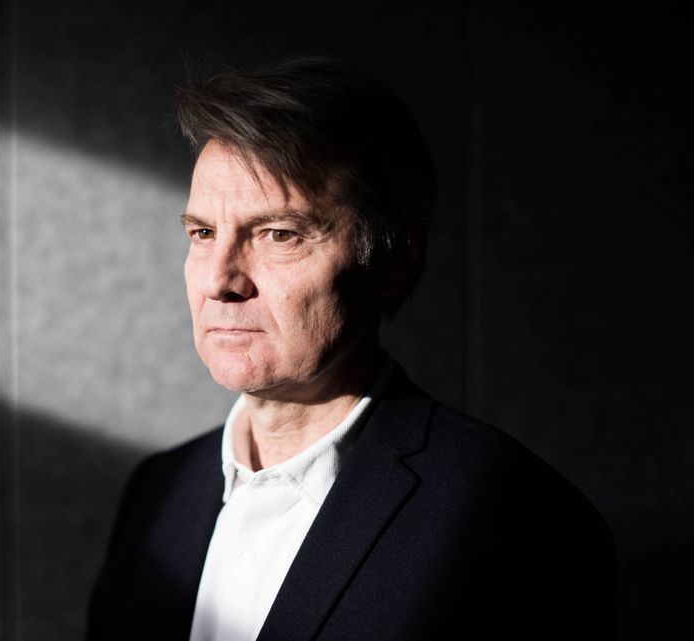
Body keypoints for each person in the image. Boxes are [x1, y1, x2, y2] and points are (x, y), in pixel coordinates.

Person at [85, 57, 616, 641]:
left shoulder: (514, 515)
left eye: (279, 234)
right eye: (204, 233)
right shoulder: (157, 492)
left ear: (393, 259)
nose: (220, 281)